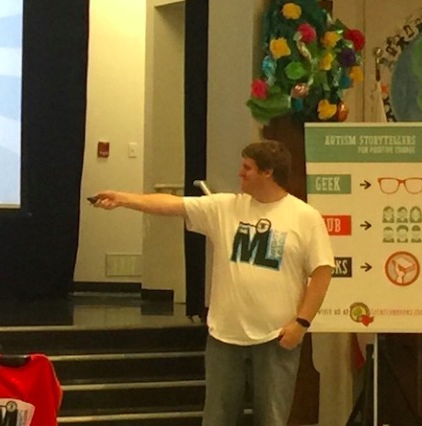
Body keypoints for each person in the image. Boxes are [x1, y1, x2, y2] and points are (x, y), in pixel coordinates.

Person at [91, 140, 334, 426]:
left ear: (268, 173)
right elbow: (172, 204)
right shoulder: (225, 207)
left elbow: (322, 271)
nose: (240, 173)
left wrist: (302, 324)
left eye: (247, 168)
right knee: (217, 417)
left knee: (272, 418)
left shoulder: (304, 216)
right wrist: (123, 199)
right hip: (224, 336)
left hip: (276, 337)